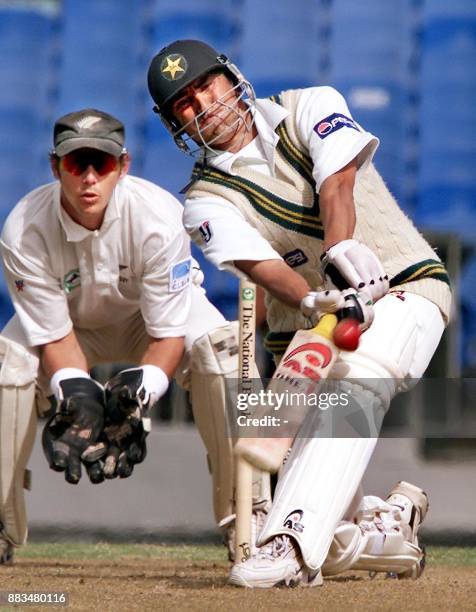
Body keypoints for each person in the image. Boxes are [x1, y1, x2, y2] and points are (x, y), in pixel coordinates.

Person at [146, 40, 451, 588]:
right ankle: (391, 527)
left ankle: (287, 546)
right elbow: (263, 269)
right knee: (333, 536)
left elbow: (338, 182)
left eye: (204, 86)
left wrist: (339, 252)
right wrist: (312, 299)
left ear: (230, 77)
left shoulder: (308, 104)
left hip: (405, 286)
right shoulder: (203, 202)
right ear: (177, 126)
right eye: (183, 105)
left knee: (356, 381)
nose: (202, 105)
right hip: (306, 337)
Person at [0, 108, 272, 565]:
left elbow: (167, 335)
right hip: (71, 328)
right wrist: (80, 395)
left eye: (101, 164)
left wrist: (137, 394)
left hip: (151, 322)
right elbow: (54, 336)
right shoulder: (24, 228)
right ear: (54, 167)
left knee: (225, 354)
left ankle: (250, 519)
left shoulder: (160, 217)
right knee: (7, 366)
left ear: (122, 166)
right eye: (75, 164)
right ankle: (2, 522)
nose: (89, 178)